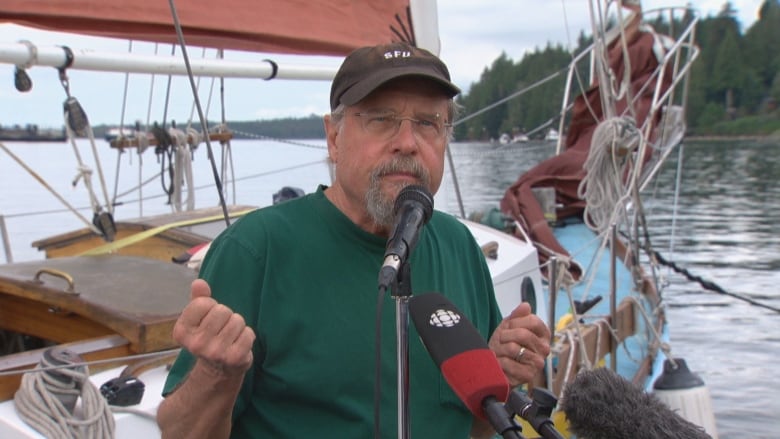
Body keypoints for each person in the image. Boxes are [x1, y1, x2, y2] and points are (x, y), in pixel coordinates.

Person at [157, 42, 551, 439]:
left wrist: (497, 378)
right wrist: (215, 375)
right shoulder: (256, 250)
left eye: (428, 123)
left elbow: (474, 432)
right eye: (382, 119)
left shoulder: (459, 246)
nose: (408, 142)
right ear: (333, 138)